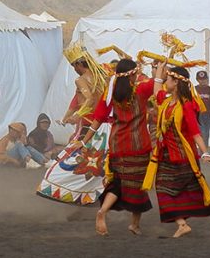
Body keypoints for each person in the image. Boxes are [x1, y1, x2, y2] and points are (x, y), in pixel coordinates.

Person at [142, 63, 210, 238]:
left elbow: (195, 132)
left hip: (184, 156)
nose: (166, 82)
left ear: (176, 83)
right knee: (162, 189)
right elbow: (156, 90)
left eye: (169, 79)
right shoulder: (166, 101)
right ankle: (182, 224)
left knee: (196, 190)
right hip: (165, 154)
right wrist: (160, 69)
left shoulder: (186, 105)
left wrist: (204, 152)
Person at [77, 58, 157, 237]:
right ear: (134, 74)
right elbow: (159, 84)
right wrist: (159, 68)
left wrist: (84, 141)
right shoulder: (142, 90)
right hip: (138, 145)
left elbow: (97, 119)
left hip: (117, 144)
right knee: (139, 185)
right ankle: (134, 224)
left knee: (117, 183)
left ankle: (104, 211)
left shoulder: (111, 93)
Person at [37, 42, 110, 207]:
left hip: (89, 124)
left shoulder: (81, 80)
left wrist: (77, 116)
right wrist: (68, 117)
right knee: (98, 158)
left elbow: (89, 99)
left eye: (73, 66)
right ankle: (96, 193)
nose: (73, 69)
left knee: (74, 157)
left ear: (78, 64)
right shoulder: (103, 74)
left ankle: (59, 188)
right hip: (104, 124)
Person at [195, 70, 210, 146]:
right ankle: (202, 150)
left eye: (205, 79)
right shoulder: (194, 89)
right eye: (200, 79)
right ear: (197, 80)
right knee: (202, 132)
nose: (203, 81)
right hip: (198, 114)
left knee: (207, 132)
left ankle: (205, 149)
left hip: (207, 113)